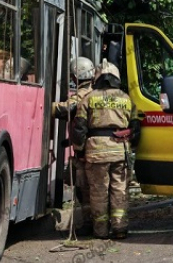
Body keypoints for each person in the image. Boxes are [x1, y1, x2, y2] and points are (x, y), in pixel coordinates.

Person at [71, 60, 140, 240]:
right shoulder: (126, 98)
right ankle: (120, 229)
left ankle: (100, 231)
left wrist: (79, 151)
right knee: (119, 190)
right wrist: (131, 147)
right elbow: (135, 127)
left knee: (98, 191)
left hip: (95, 153)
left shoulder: (88, 98)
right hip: (119, 152)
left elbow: (79, 128)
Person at [52, 57, 95, 235]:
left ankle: (89, 224)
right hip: (94, 148)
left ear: (76, 76)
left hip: (86, 150)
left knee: (84, 189)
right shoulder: (98, 92)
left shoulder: (83, 94)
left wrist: (47, 106)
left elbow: (67, 109)